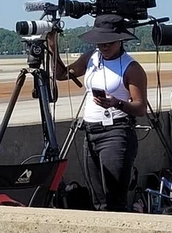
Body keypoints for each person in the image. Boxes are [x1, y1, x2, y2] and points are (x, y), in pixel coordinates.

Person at [48, 15, 148, 211]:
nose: (103, 47)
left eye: (108, 43)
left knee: (114, 199)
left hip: (116, 133)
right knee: (98, 199)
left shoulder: (132, 68)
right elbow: (62, 74)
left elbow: (140, 107)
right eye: (99, 42)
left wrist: (115, 103)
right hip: (91, 132)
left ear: (120, 40)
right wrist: (53, 47)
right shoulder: (91, 57)